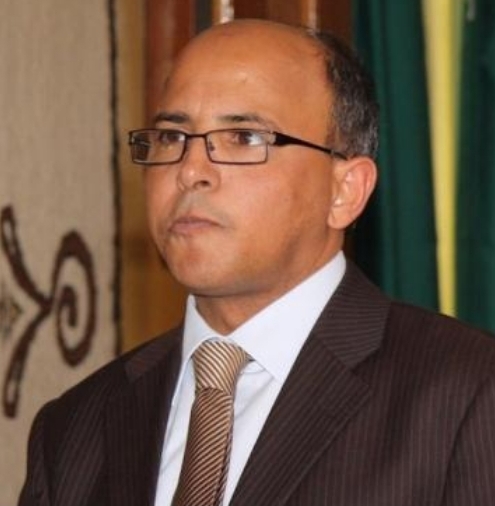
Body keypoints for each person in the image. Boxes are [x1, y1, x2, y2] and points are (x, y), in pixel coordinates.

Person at [19, 18, 495, 506]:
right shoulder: (74, 429)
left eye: (244, 137)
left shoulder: (468, 393)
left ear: (345, 190)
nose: (190, 171)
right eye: (171, 137)